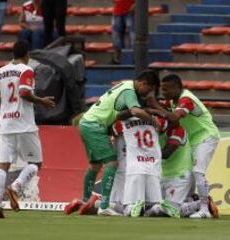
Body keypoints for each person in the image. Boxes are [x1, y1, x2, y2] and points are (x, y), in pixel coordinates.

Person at [66, 70, 160, 215]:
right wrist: (152, 120)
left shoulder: (124, 85)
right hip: (95, 125)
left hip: (87, 123)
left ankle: (84, 202)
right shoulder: (129, 91)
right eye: (149, 89)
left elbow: (121, 112)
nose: (148, 94)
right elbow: (135, 111)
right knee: (112, 163)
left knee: (94, 165)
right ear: (143, 83)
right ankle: (104, 206)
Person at [0, 40, 55, 218]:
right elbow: (24, 92)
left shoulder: (0, 71)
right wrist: (42, 101)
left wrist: (4, 102)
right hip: (24, 125)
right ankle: (15, 188)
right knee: (36, 164)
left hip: (6, 124)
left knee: (3, 165)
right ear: (27, 55)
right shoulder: (26, 70)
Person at [159, 74, 220, 218]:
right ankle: (193, 201)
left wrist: (155, 108)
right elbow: (162, 110)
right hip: (193, 140)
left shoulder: (186, 99)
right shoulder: (173, 101)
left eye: (166, 90)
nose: (164, 93)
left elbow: (173, 117)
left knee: (198, 172)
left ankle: (205, 210)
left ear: (177, 88)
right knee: (190, 173)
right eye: (162, 89)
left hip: (206, 136)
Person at [111, 0, 135, 64]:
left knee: (132, 35)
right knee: (116, 36)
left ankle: (134, 57)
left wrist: (135, 5)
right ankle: (117, 59)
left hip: (130, 10)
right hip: (118, 11)